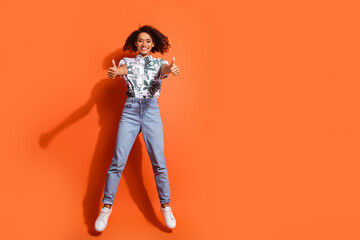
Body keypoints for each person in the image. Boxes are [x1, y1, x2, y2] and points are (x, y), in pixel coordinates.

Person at [95, 25, 180, 232]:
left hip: (151, 110)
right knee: (118, 161)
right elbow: (124, 70)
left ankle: (166, 206)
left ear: (153, 44)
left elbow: (164, 70)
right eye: (140, 40)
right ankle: (106, 208)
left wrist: (171, 68)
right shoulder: (127, 62)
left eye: (148, 41)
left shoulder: (159, 63)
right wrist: (115, 71)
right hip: (130, 111)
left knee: (159, 162)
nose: (144, 44)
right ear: (135, 42)